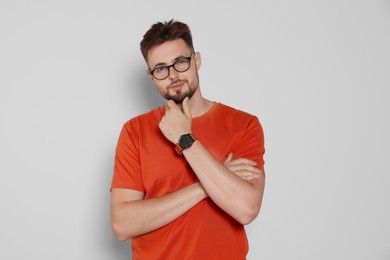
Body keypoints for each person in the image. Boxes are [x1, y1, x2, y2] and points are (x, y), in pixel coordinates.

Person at [110, 19, 266, 259]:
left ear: (197, 60)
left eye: (180, 62)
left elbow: (246, 209)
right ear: (151, 77)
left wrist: (185, 138)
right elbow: (122, 225)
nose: (173, 75)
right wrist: (208, 186)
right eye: (161, 69)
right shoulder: (135, 131)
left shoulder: (243, 125)